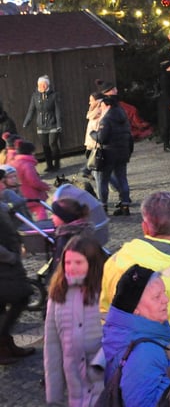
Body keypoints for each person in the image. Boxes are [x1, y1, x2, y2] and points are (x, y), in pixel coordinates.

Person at [101, 192, 170, 356]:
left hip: (120, 359)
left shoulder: (115, 261)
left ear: (145, 226)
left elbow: (105, 315)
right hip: (165, 367)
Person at [102, 265, 170, 407]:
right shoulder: (145, 352)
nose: (166, 299)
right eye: (156, 297)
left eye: (164, 293)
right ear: (135, 309)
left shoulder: (127, 332)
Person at [44, 235, 107, 407]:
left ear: (92, 264)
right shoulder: (58, 294)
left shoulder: (107, 293)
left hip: (104, 385)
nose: (71, 268)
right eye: (67, 262)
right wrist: (54, 396)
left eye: (78, 263)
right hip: (76, 389)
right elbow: (52, 347)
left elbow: (121, 334)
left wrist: (99, 365)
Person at [0, 191, 35, 364]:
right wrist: (9, 257)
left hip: (8, 265)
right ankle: (2, 343)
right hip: (5, 265)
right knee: (21, 296)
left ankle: (7, 345)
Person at [94, 95, 134, 216]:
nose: (100, 108)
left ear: (107, 105)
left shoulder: (106, 119)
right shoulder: (123, 117)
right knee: (122, 178)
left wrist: (93, 134)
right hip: (123, 152)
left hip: (109, 153)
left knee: (102, 180)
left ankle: (103, 206)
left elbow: (101, 138)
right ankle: (125, 205)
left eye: (101, 106)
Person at [24, 75, 62, 171]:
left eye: (44, 84)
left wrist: (59, 124)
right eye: (40, 84)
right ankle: (49, 165)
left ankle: (57, 164)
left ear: (47, 84)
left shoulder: (54, 95)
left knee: (52, 143)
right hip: (41, 125)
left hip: (52, 123)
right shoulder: (35, 96)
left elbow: (58, 111)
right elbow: (31, 110)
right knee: (45, 146)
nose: (42, 86)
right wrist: (26, 122)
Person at [11, 139, 49, 221]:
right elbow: (34, 181)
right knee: (40, 210)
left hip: (19, 194)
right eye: (33, 152)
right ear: (29, 152)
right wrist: (45, 186)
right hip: (32, 195)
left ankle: (31, 229)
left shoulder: (13, 162)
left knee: (27, 215)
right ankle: (43, 229)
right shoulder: (28, 165)